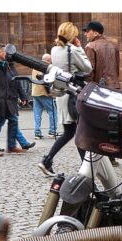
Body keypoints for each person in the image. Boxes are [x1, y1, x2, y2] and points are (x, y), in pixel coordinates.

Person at [38, 21, 92, 176]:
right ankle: (84, 168)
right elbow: (88, 68)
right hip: (73, 95)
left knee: (70, 132)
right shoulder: (73, 50)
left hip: (61, 95)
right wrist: (80, 47)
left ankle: (47, 161)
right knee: (79, 132)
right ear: (72, 35)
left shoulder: (54, 50)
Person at [83, 21, 121, 167]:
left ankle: (99, 156)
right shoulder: (113, 46)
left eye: (88, 31)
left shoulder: (90, 47)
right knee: (113, 124)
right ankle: (112, 156)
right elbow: (116, 70)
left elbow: (89, 71)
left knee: (97, 124)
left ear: (96, 32)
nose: (86, 33)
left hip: (99, 90)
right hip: (115, 88)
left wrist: (87, 89)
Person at [0, 44, 27, 157]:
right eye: (5, 52)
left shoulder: (5, 65)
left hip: (6, 100)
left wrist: (21, 96)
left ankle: (11, 146)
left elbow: (12, 81)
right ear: (0, 52)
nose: (7, 54)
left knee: (13, 120)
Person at [5, 61, 36, 150]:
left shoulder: (12, 69)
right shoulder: (2, 68)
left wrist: (23, 97)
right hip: (5, 100)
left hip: (11, 100)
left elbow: (18, 84)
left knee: (12, 122)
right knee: (0, 123)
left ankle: (21, 144)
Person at [32, 53, 59, 140]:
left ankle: (37, 132)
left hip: (35, 92)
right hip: (44, 93)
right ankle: (52, 131)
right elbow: (45, 81)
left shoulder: (35, 66)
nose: (51, 62)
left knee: (37, 113)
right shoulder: (45, 67)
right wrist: (50, 92)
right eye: (50, 60)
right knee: (53, 112)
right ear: (48, 60)